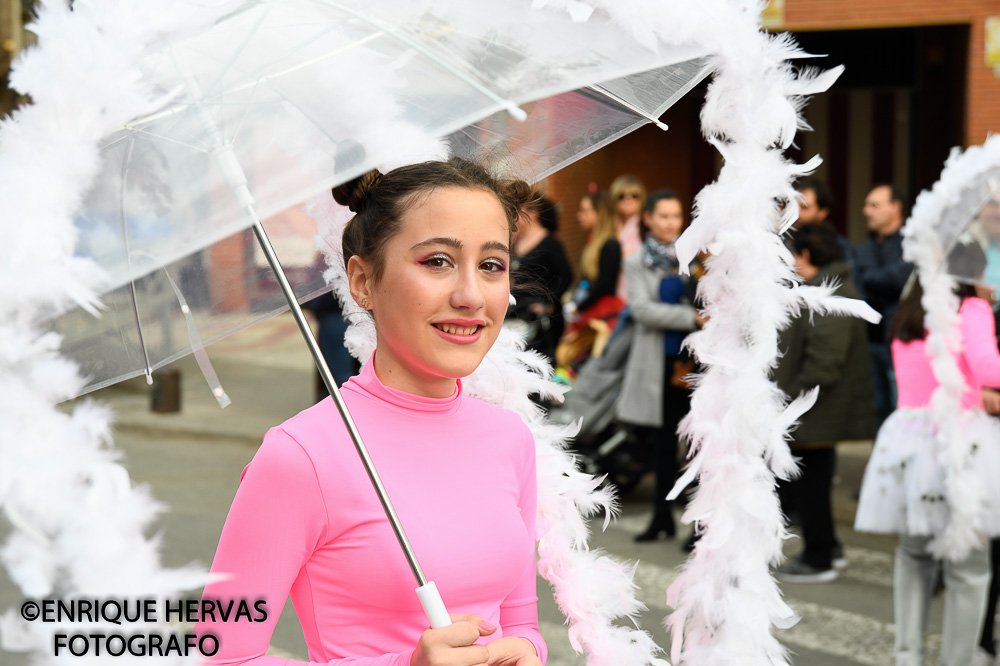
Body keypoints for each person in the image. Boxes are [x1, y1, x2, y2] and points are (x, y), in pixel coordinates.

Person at [199, 157, 546, 666]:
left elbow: (521, 624)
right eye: (437, 261)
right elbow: (221, 656)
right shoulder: (301, 456)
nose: (471, 295)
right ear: (362, 282)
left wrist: (526, 651)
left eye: (491, 265)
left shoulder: (509, 438)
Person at [854, 240, 1000, 666]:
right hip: (960, 445)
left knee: (913, 556)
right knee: (969, 569)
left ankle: (908, 657)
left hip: (909, 442)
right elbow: (988, 367)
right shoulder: (970, 310)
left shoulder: (911, 312)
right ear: (971, 275)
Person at [772, 222, 876, 582]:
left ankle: (818, 558)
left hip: (816, 408)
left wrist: (791, 397)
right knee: (814, 481)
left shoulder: (830, 293)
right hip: (816, 408)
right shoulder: (825, 287)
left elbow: (824, 363)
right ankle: (828, 546)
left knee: (813, 486)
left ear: (804, 255)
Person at [617, 189, 704, 542]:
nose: (671, 223)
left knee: (699, 444)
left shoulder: (695, 257)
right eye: (664, 216)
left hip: (697, 363)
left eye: (676, 216)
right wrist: (694, 317)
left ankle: (700, 525)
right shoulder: (636, 261)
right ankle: (661, 518)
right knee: (664, 446)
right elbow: (642, 311)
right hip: (660, 366)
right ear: (649, 219)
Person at [854, 183, 914, 427]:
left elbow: (903, 280)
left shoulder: (912, 243)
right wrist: (885, 279)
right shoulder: (865, 248)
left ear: (895, 208)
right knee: (878, 411)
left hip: (901, 339)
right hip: (872, 341)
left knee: (902, 406)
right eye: (866, 205)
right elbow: (859, 287)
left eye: (875, 205)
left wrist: (874, 278)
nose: (866, 211)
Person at [556, 190, 624, 370]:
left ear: (599, 213)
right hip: (590, 307)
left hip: (601, 312)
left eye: (585, 211)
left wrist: (579, 306)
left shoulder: (610, 244)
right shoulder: (593, 242)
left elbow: (605, 285)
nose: (580, 216)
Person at [508, 196, 573, 365]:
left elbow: (566, 276)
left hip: (544, 318)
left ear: (532, 214)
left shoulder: (551, 243)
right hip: (519, 313)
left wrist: (547, 302)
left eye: (518, 213)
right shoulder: (517, 241)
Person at [792, 178, 854, 276]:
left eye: (805, 207)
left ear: (822, 212)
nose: (797, 213)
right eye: (794, 206)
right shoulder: (782, 240)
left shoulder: (840, 247)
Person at [609, 174, 646, 259]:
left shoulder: (646, 223)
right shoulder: (609, 223)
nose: (628, 200)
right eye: (621, 196)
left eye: (635, 196)